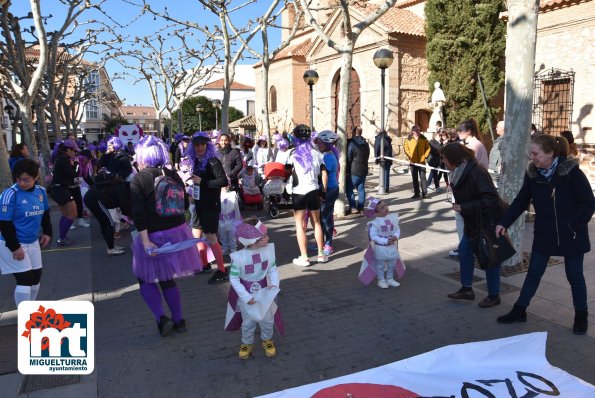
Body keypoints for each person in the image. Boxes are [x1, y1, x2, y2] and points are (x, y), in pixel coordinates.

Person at [495, 135, 595, 334]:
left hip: (572, 235)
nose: (532, 158)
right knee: (533, 274)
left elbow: (589, 202)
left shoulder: (572, 172)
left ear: (550, 153)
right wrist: (504, 222)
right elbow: (521, 200)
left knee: (574, 276)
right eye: (530, 154)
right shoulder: (533, 174)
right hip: (544, 234)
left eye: (535, 153)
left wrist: (574, 224)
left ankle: (581, 316)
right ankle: (519, 310)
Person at [130, 135, 204, 336]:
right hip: (177, 232)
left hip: (153, 235)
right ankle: (179, 321)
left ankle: (161, 318)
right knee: (167, 278)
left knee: (144, 278)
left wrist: (145, 241)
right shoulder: (172, 174)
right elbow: (185, 204)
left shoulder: (139, 178)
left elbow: (138, 214)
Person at [443, 143, 505, 307]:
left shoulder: (476, 172)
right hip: (473, 221)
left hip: (487, 222)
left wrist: (464, 207)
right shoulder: (459, 171)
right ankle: (467, 289)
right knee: (464, 251)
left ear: (453, 158)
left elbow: (491, 199)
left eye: (444, 159)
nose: (443, 162)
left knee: (490, 257)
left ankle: (494, 295)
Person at [226, 217, 281, 360]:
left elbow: (272, 270)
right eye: (264, 237)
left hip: (264, 293)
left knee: (267, 320)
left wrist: (274, 284)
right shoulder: (238, 258)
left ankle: (267, 340)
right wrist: (246, 297)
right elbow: (234, 279)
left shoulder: (268, 252)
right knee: (248, 322)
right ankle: (246, 343)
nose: (268, 238)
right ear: (252, 241)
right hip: (247, 294)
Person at [0, 159, 52, 306]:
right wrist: (15, 247)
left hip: (33, 242)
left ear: (36, 177)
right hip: (11, 243)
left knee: (36, 278)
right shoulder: (10, 194)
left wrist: (47, 233)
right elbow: (4, 223)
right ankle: (25, 317)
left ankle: (30, 311)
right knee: (25, 279)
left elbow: (46, 215)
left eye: (26, 180)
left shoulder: (41, 191)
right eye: (19, 179)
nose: (22, 183)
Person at [189, 131, 230, 284]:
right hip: (199, 204)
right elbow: (198, 182)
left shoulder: (213, 162)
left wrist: (203, 182)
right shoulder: (196, 161)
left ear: (207, 145)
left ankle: (222, 270)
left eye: (202, 144)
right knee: (196, 237)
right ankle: (204, 265)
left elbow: (223, 181)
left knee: (211, 238)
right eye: (196, 145)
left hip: (211, 206)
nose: (199, 147)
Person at [287, 124, 328, 266]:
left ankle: (304, 257)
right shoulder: (317, 153)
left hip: (298, 192)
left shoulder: (292, 153)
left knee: (299, 224)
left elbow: (286, 172)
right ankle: (321, 254)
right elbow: (324, 173)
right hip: (313, 191)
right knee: (316, 222)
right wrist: (323, 191)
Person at [83, 169, 130, 256]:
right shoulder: (122, 188)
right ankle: (111, 249)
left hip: (91, 197)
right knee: (109, 223)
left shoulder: (121, 185)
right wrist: (130, 216)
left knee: (105, 223)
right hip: (94, 199)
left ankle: (111, 246)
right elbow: (124, 205)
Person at [362, 197, 402, 289]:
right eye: (382, 208)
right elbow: (374, 236)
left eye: (385, 205)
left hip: (391, 246)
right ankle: (381, 280)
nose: (386, 208)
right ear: (376, 213)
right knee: (380, 265)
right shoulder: (375, 223)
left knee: (392, 263)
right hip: (380, 247)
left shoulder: (392, 219)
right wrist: (385, 241)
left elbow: (397, 229)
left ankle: (390, 279)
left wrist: (396, 236)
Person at [49, 139, 80, 246]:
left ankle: (62, 237)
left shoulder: (60, 158)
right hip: (60, 190)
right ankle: (62, 237)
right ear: (68, 149)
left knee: (66, 214)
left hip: (58, 189)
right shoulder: (63, 158)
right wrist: (75, 164)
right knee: (72, 214)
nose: (75, 153)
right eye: (74, 151)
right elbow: (72, 174)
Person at [315, 130, 340, 256]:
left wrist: (323, 193)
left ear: (326, 144)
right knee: (322, 217)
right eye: (317, 142)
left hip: (329, 190)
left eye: (320, 143)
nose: (317, 144)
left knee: (325, 218)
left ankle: (329, 244)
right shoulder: (328, 154)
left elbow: (324, 176)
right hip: (329, 189)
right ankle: (323, 242)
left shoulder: (327, 157)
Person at [346, 126, 370, 214]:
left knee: (349, 189)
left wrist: (347, 170)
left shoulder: (352, 143)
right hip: (363, 169)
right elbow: (367, 156)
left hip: (354, 170)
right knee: (361, 188)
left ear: (354, 133)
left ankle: (353, 207)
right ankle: (361, 207)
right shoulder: (366, 143)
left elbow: (349, 157)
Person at [404, 125, 431, 199]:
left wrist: (425, 156)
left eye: (419, 130)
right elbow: (406, 148)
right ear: (413, 132)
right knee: (415, 178)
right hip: (413, 162)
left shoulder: (423, 138)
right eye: (417, 130)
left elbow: (428, 148)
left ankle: (425, 193)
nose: (419, 132)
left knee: (423, 178)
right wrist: (410, 156)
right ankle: (416, 193)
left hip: (422, 162)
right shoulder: (408, 139)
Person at [219, 186, 242, 255]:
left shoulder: (232, 194)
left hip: (231, 219)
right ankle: (225, 248)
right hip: (220, 220)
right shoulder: (216, 195)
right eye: (223, 186)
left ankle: (233, 249)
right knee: (223, 235)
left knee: (232, 235)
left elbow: (236, 209)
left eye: (226, 185)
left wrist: (237, 220)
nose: (225, 187)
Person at [374, 130, 393, 194]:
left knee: (383, 173)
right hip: (388, 158)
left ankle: (383, 188)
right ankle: (386, 188)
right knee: (386, 174)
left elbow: (376, 149)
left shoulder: (378, 139)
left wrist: (376, 159)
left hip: (383, 159)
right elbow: (390, 150)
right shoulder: (388, 139)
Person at [488, 120, 505, 185]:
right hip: (493, 170)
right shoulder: (500, 139)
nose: (496, 128)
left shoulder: (505, 140)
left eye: (497, 127)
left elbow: (503, 154)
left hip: (496, 171)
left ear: (503, 128)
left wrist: (499, 166)